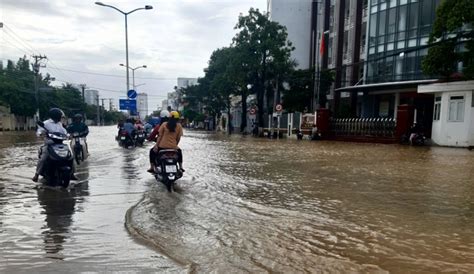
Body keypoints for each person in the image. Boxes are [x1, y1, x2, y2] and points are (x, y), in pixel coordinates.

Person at [32, 108, 78, 182]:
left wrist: (69, 135)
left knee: (71, 156)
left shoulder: (60, 124)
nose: (61, 118)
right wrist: (41, 134)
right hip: (49, 144)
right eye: (60, 116)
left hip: (60, 144)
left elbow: (65, 132)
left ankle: (72, 174)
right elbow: (39, 131)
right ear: (56, 116)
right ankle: (36, 175)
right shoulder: (46, 123)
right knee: (43, 158)